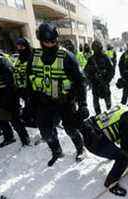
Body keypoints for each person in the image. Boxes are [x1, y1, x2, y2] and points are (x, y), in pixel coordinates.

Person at [29, 23, 89, 166]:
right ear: (40, 41)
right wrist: (31, 101)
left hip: (64, 101)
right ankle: (56, 151)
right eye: (46, 42)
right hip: (44, 101)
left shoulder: (67, 57)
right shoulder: (34, 57)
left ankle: (81, 148)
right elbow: (28, 80)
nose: (50, 44)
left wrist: (83, 104)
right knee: (46, 131)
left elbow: (80, 82)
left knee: (71, 128)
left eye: (53, 41)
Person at [79, 101, 128, 196]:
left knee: (118, 152)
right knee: (123, 157)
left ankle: (110, 153)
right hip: (95, 141)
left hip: (90, 129)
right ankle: (111, 183)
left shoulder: (121, 108)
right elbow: (127, 145)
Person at [84, 40, 115, 114]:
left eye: (97, 48)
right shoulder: (91, 59)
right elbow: (86, 72)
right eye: (95, 48)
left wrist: (107, 80)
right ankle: (98, 115)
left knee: (108, 101)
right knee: (96, 101)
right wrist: (92, 79)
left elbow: (111, 70)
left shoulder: (105, 57)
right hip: (95, 84)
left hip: (104, 83)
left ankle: (109, 113)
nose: (97, 49)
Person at [14, 38, 37, 127]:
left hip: (33, 89)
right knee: (29, 109)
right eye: (18, 46)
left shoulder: (33, 57)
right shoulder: (19, 58)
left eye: (22, 46)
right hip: (22, 88)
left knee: (32, 109)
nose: (20, 48)